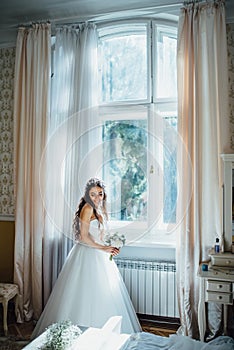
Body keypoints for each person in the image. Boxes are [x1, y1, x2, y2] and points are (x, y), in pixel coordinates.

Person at [31, 177, 142, 338]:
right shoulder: (88, 208)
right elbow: (83, 237)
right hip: (86, 255)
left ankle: (103, 337)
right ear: (87, 195)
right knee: (82, 294)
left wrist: (110, 246)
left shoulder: (99, 209)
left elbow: (97, 235)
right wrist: (104, 248)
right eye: (93, 194)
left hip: (99, 255)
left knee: (104, 293)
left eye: (100, 194)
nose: (97, 197)